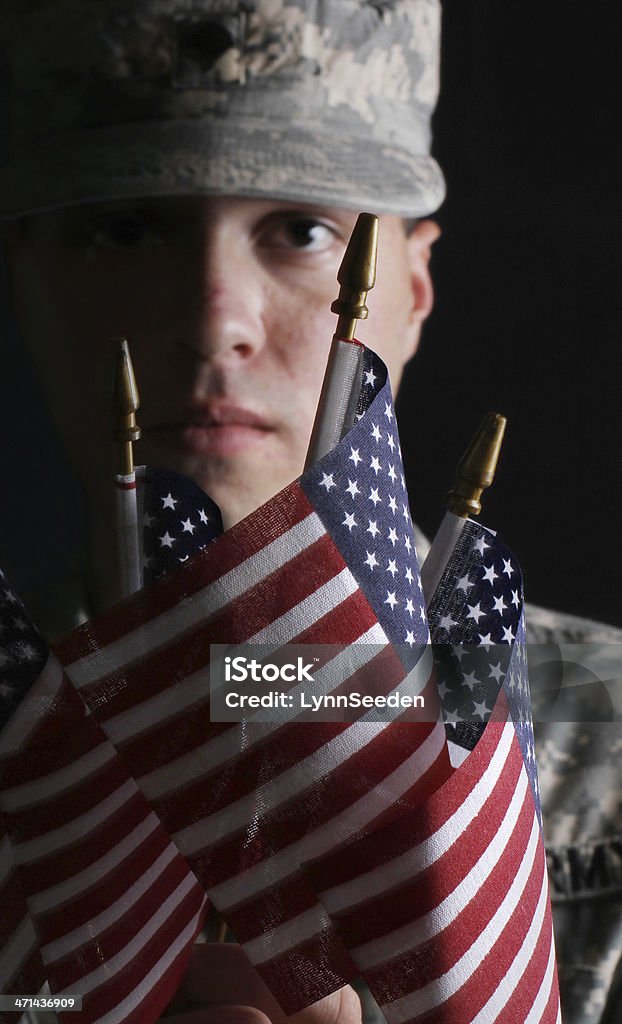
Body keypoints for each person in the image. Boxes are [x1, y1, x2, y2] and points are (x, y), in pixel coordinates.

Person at [0, 2, 621, 1023]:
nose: (213, 321)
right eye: (122, 227)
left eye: (302, 231)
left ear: (413, 288)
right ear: (22, 279)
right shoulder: (32, 749)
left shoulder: (609, 747)